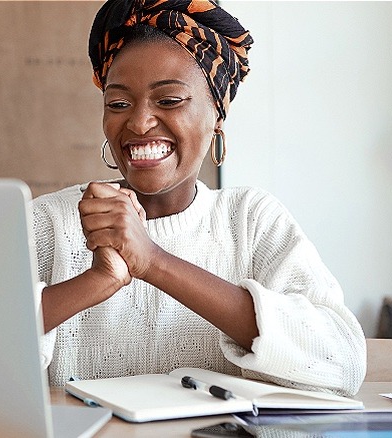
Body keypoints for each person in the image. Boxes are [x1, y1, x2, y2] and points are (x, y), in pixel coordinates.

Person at [32, 0, 366, 396]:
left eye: (169, 100)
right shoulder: (48, 221)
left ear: (217, 114)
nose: (138, 123)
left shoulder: (251, 220)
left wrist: (153, 261)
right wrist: (98, 280)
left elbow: (341, 362)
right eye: (118, 103)